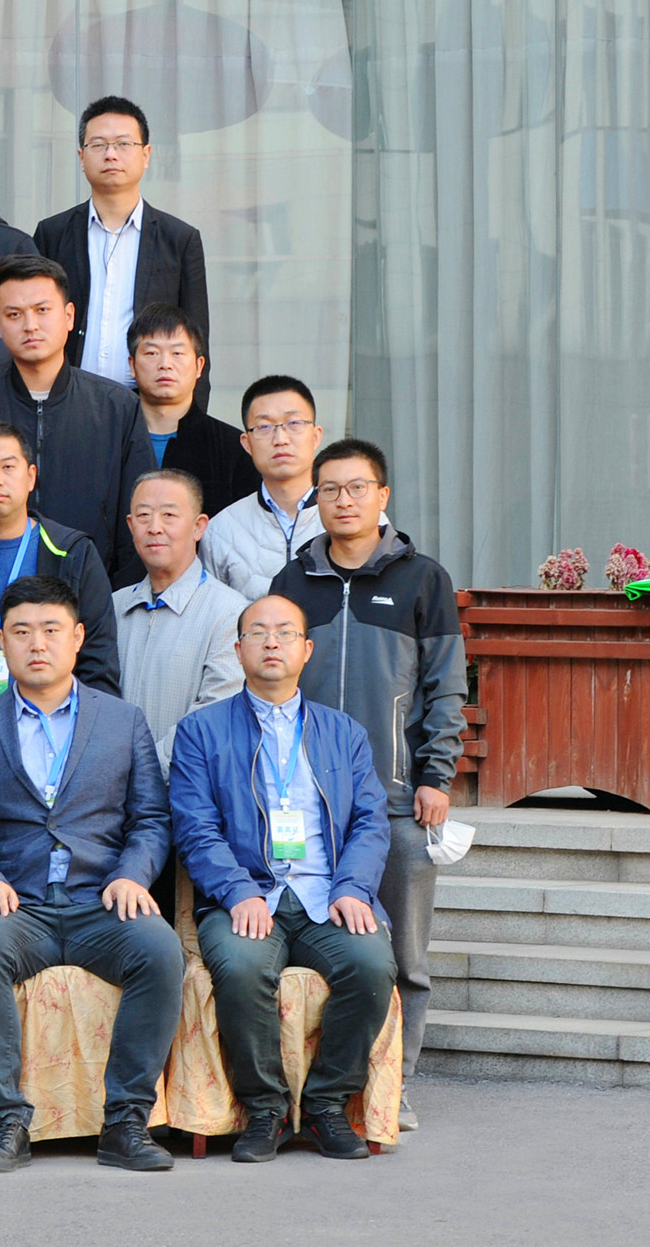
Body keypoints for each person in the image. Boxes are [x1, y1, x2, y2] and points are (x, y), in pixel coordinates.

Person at [0, 574, 180, 1174]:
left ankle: (125, 1122)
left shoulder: (122, 720)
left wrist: (133, 874)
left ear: (78, 637)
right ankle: (5, 1122)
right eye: (21, 632)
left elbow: (151, 818)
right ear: (1, 641)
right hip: (16, 903)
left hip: (103, 900)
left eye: (50, 630)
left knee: (160, 951)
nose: (36, 643)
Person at [169, 594, 397, 1163]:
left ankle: (325, 1105)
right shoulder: (201, 731)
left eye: (285, 632)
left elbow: (371, 821)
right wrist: (237, 891)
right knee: (242, 967)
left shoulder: (343, 732)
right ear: (238, 648)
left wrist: (353, 888)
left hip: (327, 893)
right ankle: (264, 1109)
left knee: (371, 964)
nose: (272, 642)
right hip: (247, 894)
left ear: (306, 649)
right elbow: (195, 827)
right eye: (258, 632)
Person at [268, 437, 462, 1097]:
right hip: (306, 806)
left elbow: (446, 687)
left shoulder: (423, 579)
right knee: (321, 947)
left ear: (382, 496)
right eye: (330, 490)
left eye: (357, 488)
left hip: (396, 801)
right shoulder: (292, 583)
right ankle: (317, 1086)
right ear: (315, 500)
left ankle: (392, 1089)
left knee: (404, 956)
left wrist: (436, 775)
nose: (343, 500)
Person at [0, 256, 157, 581]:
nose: (30, 325)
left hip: (91, 587)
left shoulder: (117, 407)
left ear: (69, 316)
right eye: (14, 315)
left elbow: (140, 510)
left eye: (42, 310)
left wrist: (114, 595)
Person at [0, 423, 128, 725]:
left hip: (52, 736)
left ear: (31, 477)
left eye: (8, 467)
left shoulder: (71, 553)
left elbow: (98, 662)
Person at [40, 96, 210, 385]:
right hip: (68, 396)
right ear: (81, 157)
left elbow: (196, 337)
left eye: (123, 144)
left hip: (146, 400)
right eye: (98, 145)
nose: (111, 154)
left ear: (146, 155)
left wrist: (190, 410)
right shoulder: (52, 234)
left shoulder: (179, 240)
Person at [115, 470, 252, 750]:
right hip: (112, 773)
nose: (154, 527)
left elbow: (215, 715)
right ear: (130, 525)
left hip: (185, 774)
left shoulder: (230, 612)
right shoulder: (113, 607)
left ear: (199, 526)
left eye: (169, 515)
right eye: (143, 516)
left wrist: (146, 768)